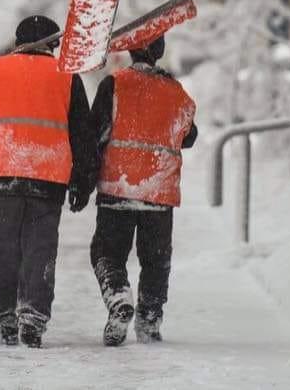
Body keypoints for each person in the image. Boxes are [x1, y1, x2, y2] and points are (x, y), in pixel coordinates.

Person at [0, 15, 96, 348]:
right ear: (52, 44)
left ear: (18, 42)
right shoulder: (68, 78)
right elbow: (83, 135)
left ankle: (4, 317)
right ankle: (33, 317)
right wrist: (83, 184)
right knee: (40, 249)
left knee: (5, 248)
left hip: (2, 174)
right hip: (48, 177)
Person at [88, 35, 197, 346]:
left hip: (117, 186)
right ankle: (149, 320)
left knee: (107, 253)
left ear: (131, 51)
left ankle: (119, 296)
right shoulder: (175, 91)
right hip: (159, 190)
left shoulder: (114, 84)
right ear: (159, 52)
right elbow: (188, 135)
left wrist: (83, 179)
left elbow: (96, 131)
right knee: (155, 259)